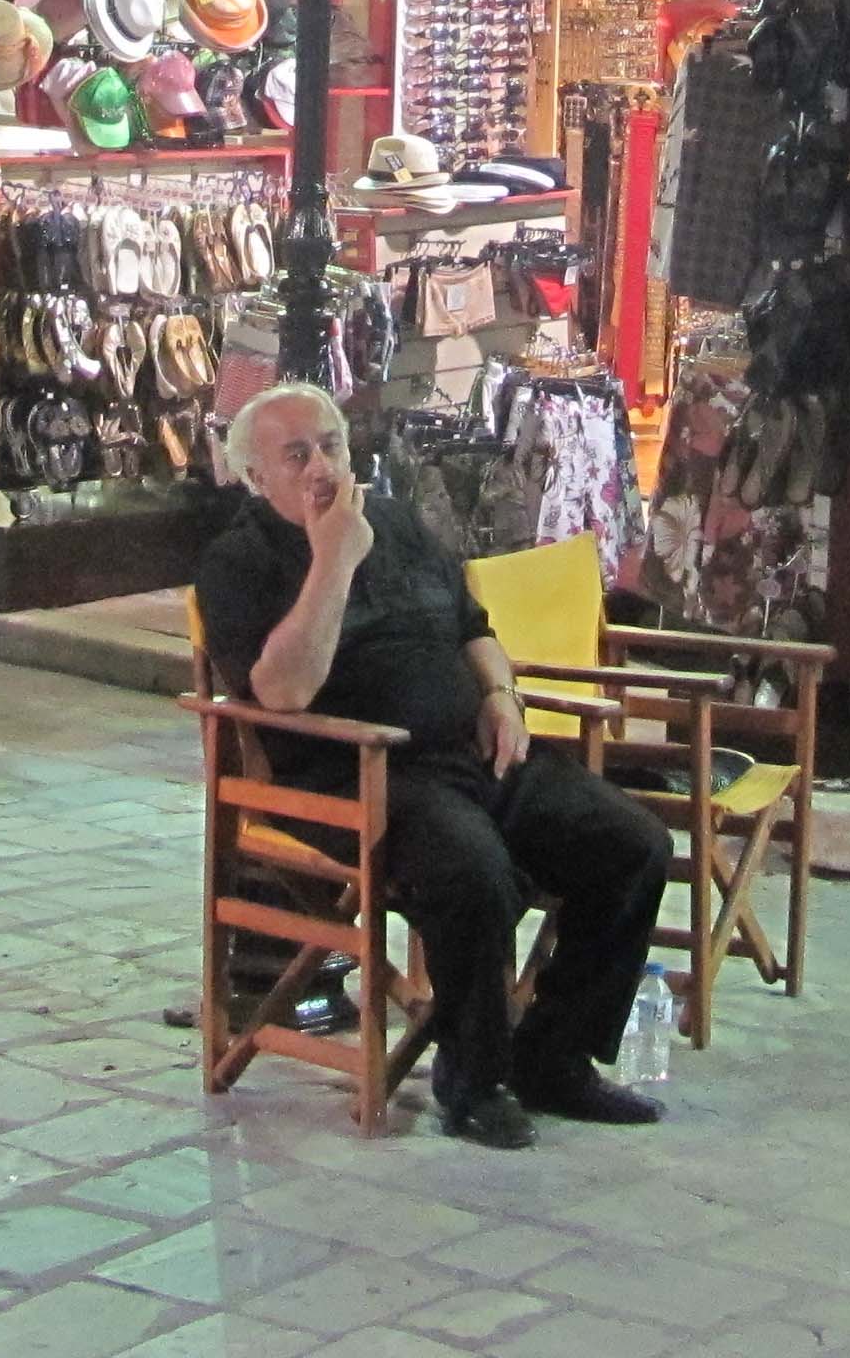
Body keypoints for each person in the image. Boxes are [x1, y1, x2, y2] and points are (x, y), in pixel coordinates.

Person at [196, 384, 672, 1149]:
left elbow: (473, 628)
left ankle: (553, 1056)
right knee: (473, 873)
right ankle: (473, 1082)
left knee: (631, 844)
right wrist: (332, 559)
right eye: (296, 455)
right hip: (355, 774)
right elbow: (282, 692)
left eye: (331, 446)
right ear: (255, 477)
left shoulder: (396, 521)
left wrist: (501, 696)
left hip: (468, 750)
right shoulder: (238, 561)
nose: (321, 467)